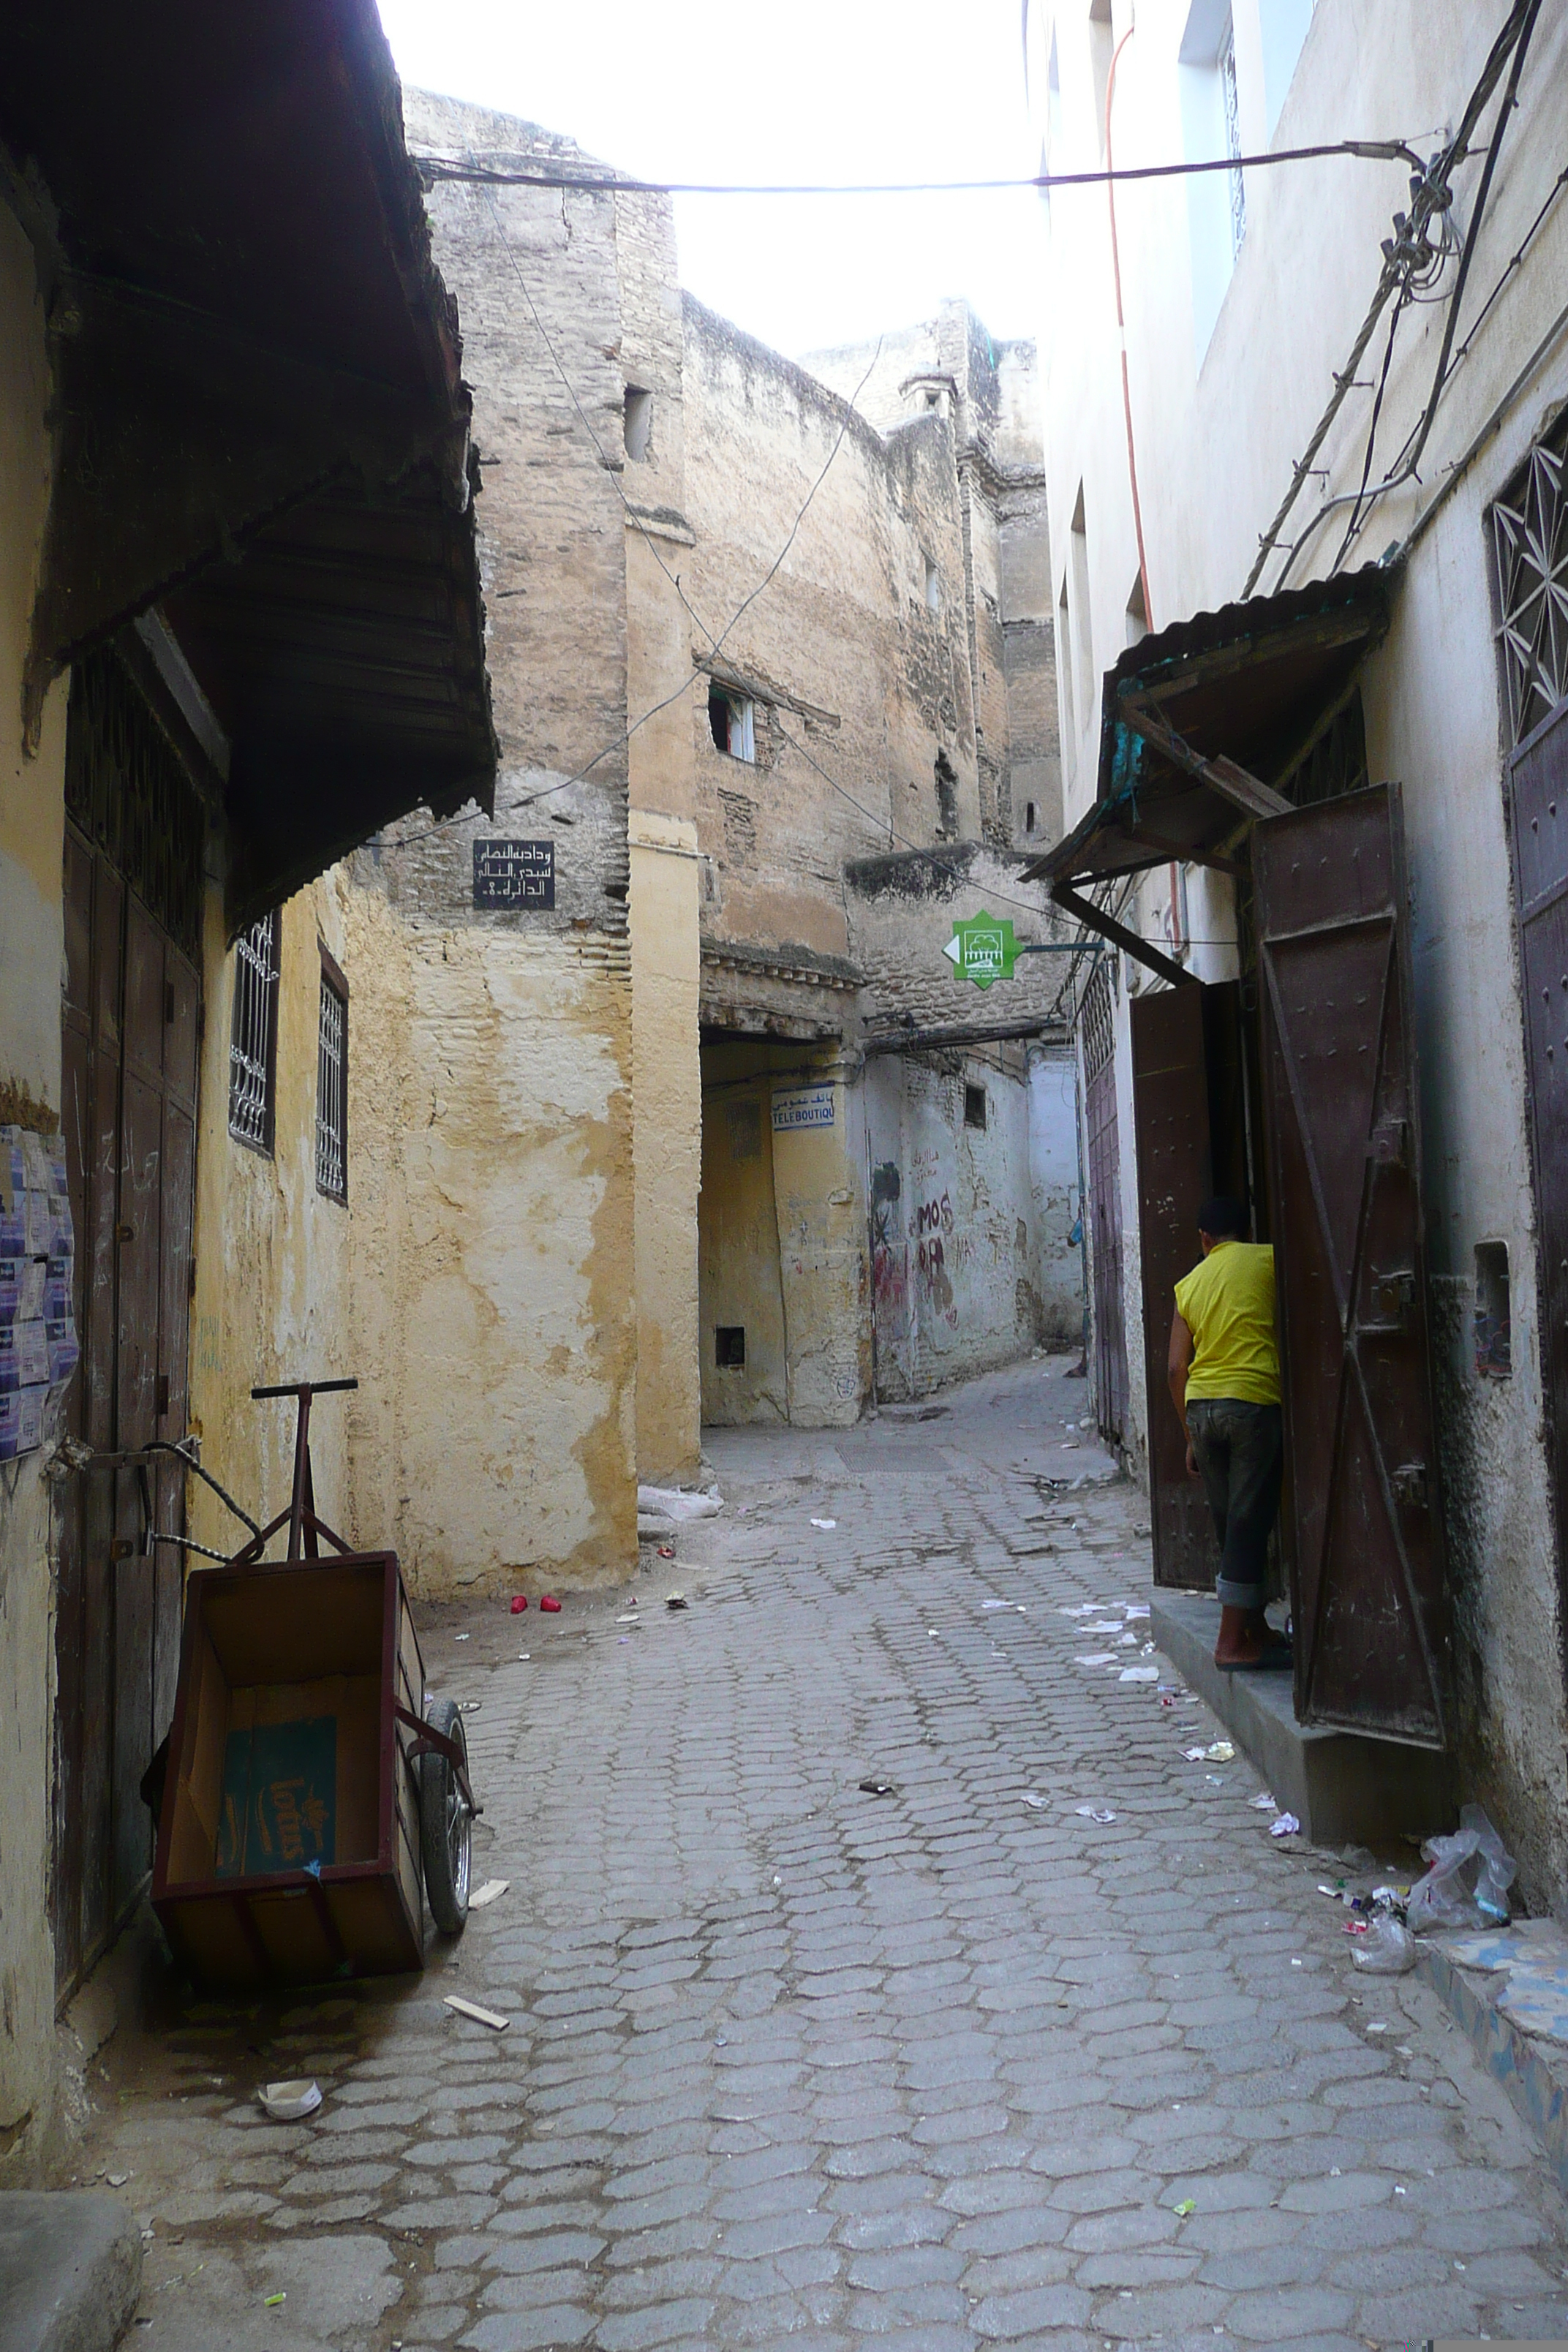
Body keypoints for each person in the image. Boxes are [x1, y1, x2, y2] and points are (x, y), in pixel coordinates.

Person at [1166, 1194, 1290, 1671]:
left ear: (1204, 1239)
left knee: (1229, 1524)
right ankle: (1230, 1643)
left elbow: (1177, 1367)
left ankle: (1253, 1629)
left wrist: (1190, 1436)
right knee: (1249, 1523)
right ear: (1248, 1231)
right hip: (1253, 1403)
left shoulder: (1189, 1283)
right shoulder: (1269, 1260)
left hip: (1202, 1408)